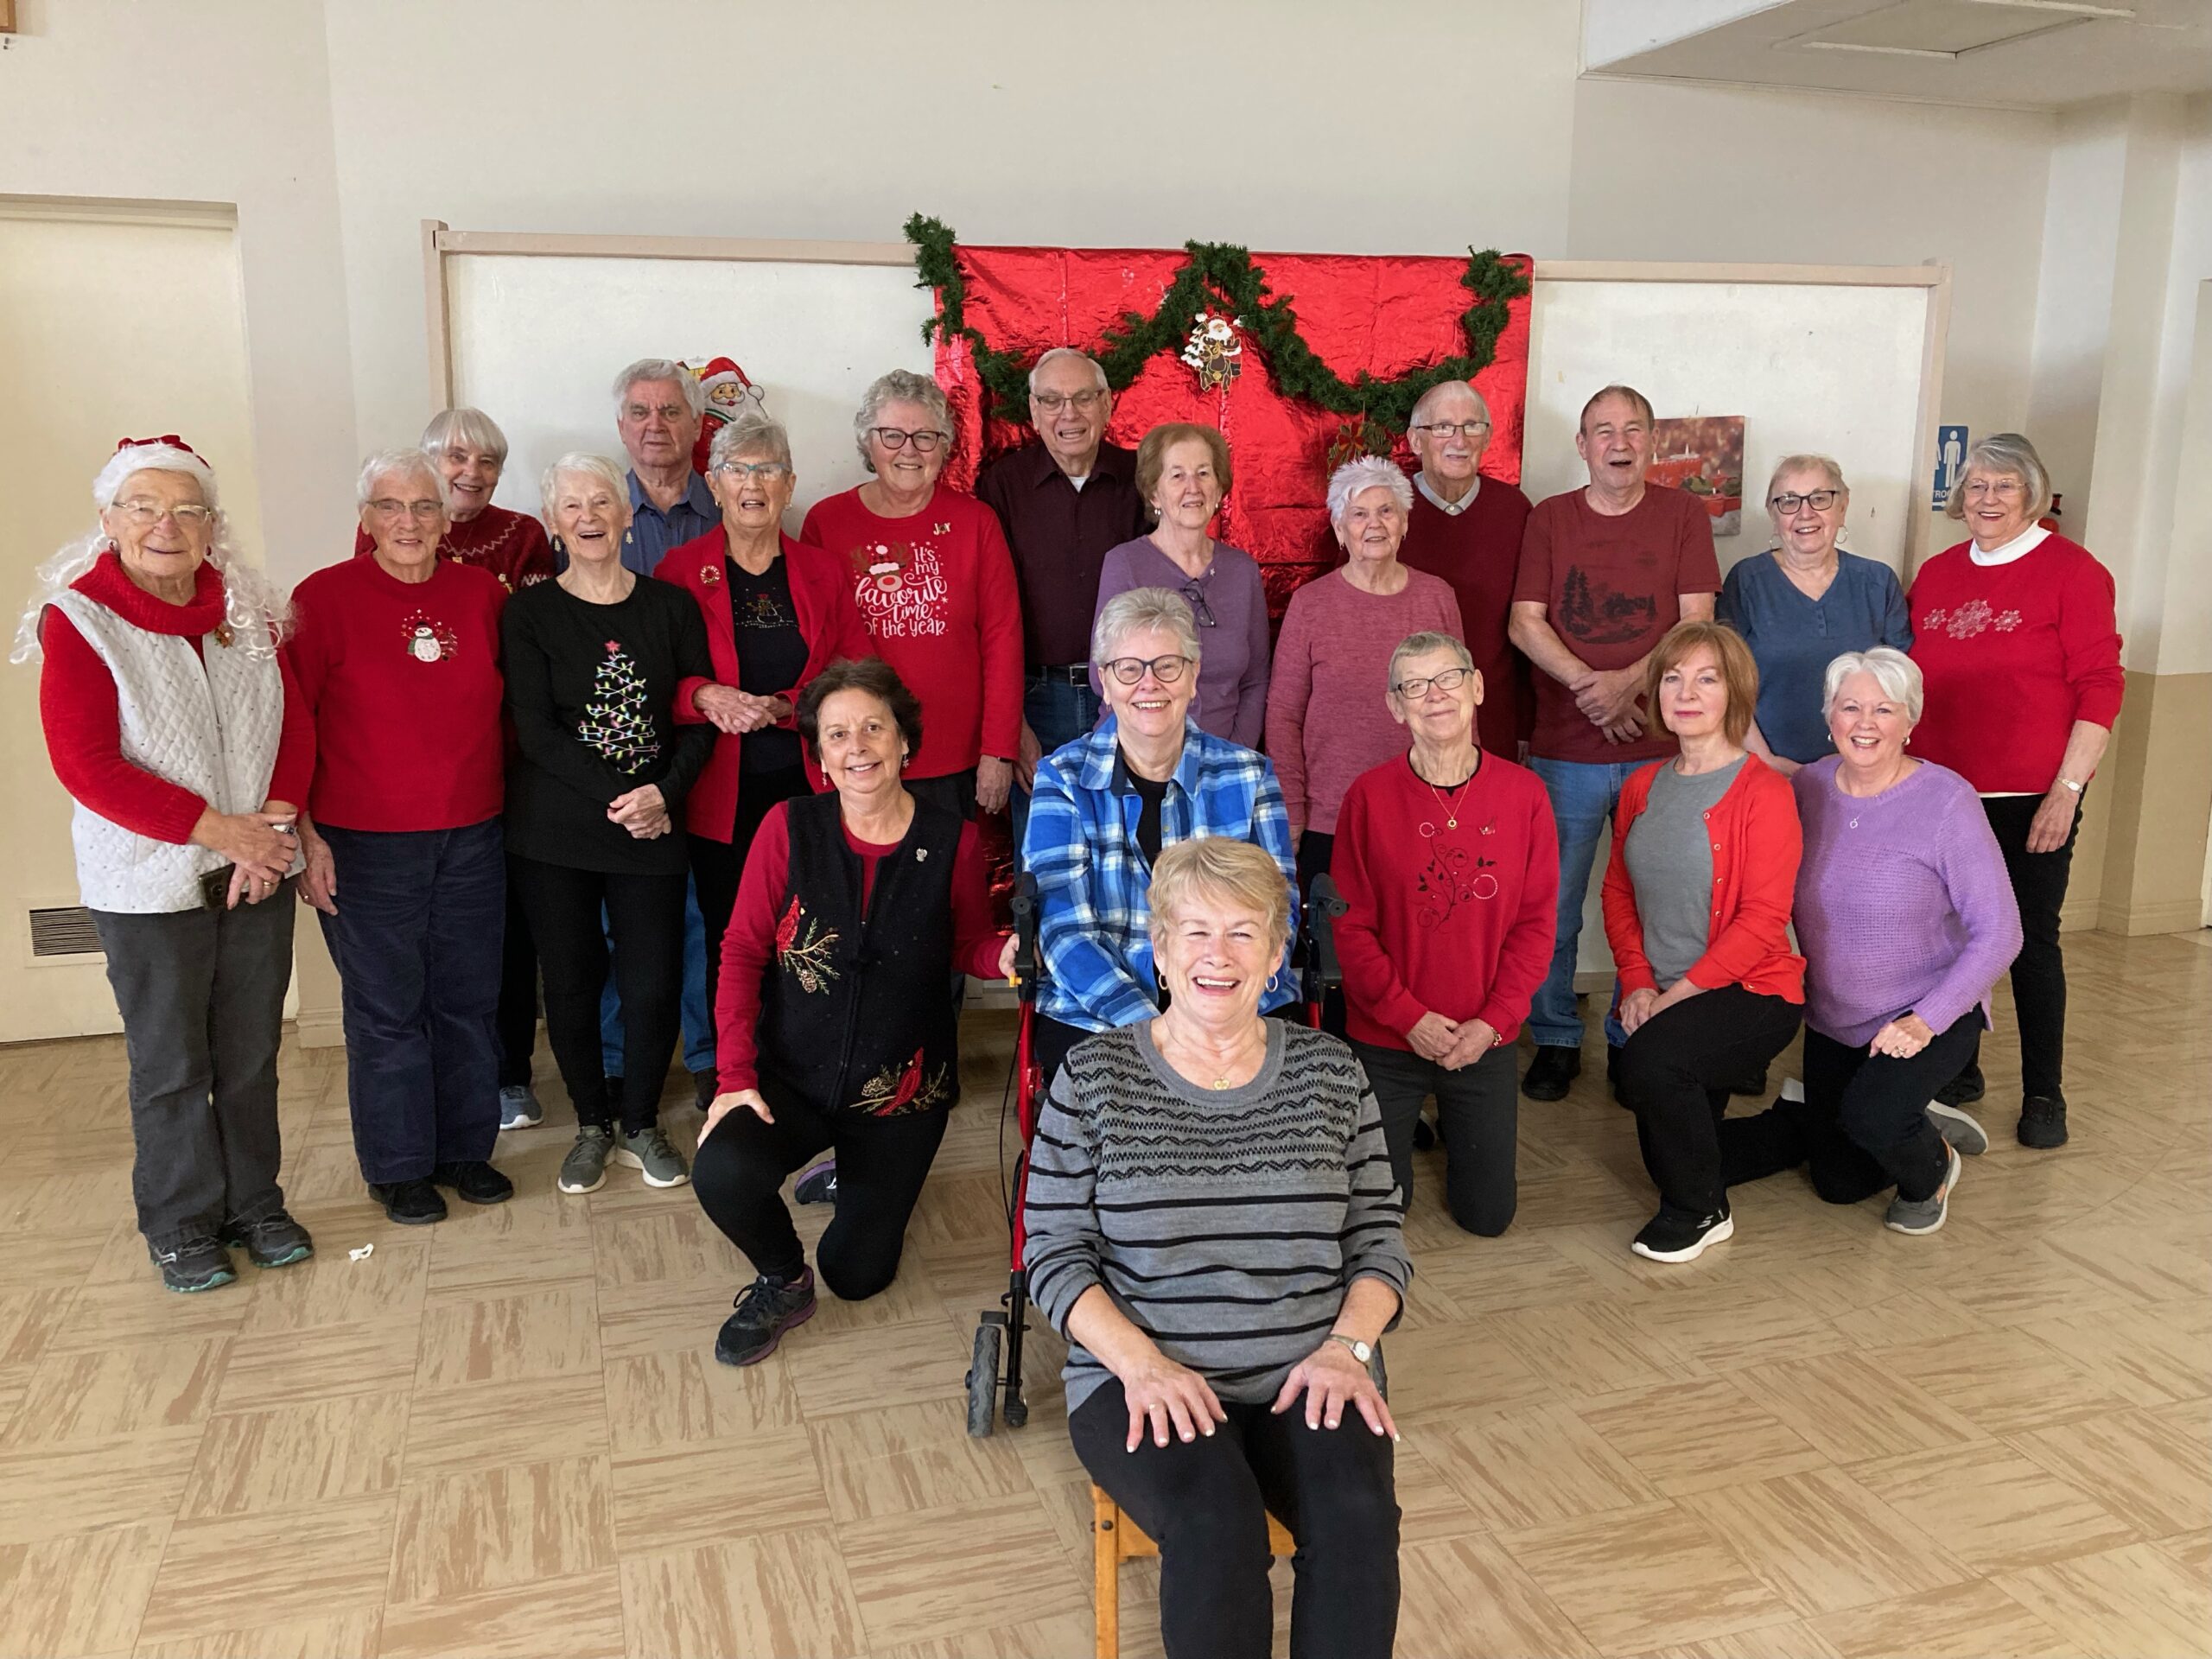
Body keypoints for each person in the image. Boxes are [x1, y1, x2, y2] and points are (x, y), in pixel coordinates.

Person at [1024, 836, 1409, 1659]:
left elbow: (1378, 1236)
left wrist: (1348, 1348)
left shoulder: (1331, 1071)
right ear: (1160, 950)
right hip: (1143, 1373)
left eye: (1244, 933)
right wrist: (1141, 1365)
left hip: (1310, 1365)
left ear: (1275, 955)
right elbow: (1053, 1255)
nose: (1218, 955)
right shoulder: (1092, 1078)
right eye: (1195, 932)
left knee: (1357, 1518)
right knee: (1217, 1527)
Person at [20, 437, 315, 1290]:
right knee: (173, 1065)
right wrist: (223, 832)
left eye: (188, 510)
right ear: (109, 520)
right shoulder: (80, 620)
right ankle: (182, 1222)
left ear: (212, 525)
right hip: (148, 884)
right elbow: (86, 763)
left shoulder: (247, 612)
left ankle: (255, 1203)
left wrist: (273, 830)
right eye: (144, 507)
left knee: (251, 1055)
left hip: (258, 864)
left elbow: (295, 726)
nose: (166, 526)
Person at [692, 659, 1014, 1364]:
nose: (858, 745)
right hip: (791, 1076)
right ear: (821, 757)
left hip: (901, 1091)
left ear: (905, 742)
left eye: (875, 727)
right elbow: (743, 949)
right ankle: (783, 1279)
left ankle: (848, 1177)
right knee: (722, 1170)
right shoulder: (788, 827)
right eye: (837, 734)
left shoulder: (952, 838)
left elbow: (965, 942)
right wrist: (734, 1077)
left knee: (859, 1274)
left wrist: (1007, 956)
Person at [1726, 650, 2022, 1235]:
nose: (1865, 723)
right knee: (1839, 1185)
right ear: (1828, 715)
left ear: (1910, 720)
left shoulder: (1946, 801)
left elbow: (2002, 932)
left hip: (1927, 1011)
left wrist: (1926, 1020)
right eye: (1850, 707)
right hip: (1836, 1019)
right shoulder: (1808, 786)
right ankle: (1914, 1112)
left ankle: (1935, 1165)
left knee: (1875, 1122)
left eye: (1884, 709)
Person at [289, 449, 512, 1226]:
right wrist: (305, 839)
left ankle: (464, 1151)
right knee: (388, 1011)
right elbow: (293, 729)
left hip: (474, 836)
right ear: (366, 517)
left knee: (468, 1002)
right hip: (362, 843)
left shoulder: (483, 595)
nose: (409, 522)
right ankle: (399, 1165)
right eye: (391, 506)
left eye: (424, 506)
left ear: (446, 516)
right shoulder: (321, 601)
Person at [503, 454, 713, 1197]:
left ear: (627, 515)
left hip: (653, 826)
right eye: (571, 506)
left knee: (653, 982)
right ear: (553, 520)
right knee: (571, 980)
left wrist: (661, 792)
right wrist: (625, 795)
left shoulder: (671, 607)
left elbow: (696, 717)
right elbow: (535, 731)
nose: (588, 517)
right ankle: (592, 1123)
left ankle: (641, 1123)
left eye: (601, 502)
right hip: (555, 833)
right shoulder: (528, 614)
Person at [1908, 433, 2122, 1151]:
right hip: (1939, 794)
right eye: (1975, 486)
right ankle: (1958, 1065)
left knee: (2027, 942)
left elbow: (2101, 686)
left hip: (2030, 796)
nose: (1987, 499)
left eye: (2003, 487)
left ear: (2033, 494)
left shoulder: (2073, 572)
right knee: (1947, 940)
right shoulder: (1935, 574)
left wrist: (2068, 788)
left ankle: (2044, 1092)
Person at [1510, 385, 1722, 1103]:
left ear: (1652, 442)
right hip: (1563, 750)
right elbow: (1524, 623)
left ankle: (1644, 1040)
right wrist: (1590, 689)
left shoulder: (1684, 515)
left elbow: (1697, 624)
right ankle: (1557, 1038)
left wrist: (1629, 684)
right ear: (1582, 445)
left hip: (1663, 753)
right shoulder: (1549, 518)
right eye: (1603, 430)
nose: (1619, 442)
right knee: (1555, 906)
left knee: (1660, 906)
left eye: (1633, 429)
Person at [347, 407, 554, 1132]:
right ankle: (409, 1135)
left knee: (482, 968)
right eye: (392, 507)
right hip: (383, 812)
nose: (411, 521)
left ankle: (487, 1112)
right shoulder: (354, 567)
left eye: (487, 463)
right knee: (399, 988)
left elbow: (522, 672)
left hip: (488, 794)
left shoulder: (504, 565)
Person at [1332, 632, 1558, 1236]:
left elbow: (1537, 926)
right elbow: (1350, 928)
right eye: (1414, 686)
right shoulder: (1368, 798)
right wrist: (1408, 1017)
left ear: (1477, 687)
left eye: (1448, 679)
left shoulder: (1526, 795)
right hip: (1388, 1034)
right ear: (1395, 706)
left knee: (1488, 1217)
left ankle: (1443, 1132)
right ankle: (1409, 1135)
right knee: (1380, 1212)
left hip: (1483, 1035)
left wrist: (1493, 1021)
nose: (1434, 696)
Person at [1026, 588, 1300, 1084]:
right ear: (1103, 683)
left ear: (1194, 676)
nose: (1148, 683)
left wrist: (1220, 1017)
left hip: (1237, 1001)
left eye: (1168, 665)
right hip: (1098, 1013)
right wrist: (1157, 1030)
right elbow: (1065, 932)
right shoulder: (1061, 778)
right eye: (1128, 668)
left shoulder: (1250, 775)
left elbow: (1279, 913)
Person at [1600, 620, 1804, 1262]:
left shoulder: (1765, 791)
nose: (1686, 693)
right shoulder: (1641, 786)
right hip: (1662, 987)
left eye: (1706, 679)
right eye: (1673, 677)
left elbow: (1764, 918)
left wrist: (1675, 996)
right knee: (1676, 1145)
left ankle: (1702, 1210)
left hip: (1752, 988)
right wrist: (1636, 981)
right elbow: (1617, 892)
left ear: (1734, 693)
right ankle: (1799, 1128)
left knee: (1649, 1068)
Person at [657, 414, 870, 1022]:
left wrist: (785, 706)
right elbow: (661, 677)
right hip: (717, 789)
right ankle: (728, 1065)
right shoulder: (679, 570)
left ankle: (802, 1054)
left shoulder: (824, 572)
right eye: (737, 469)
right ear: (714, 484)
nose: (753, 482)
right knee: (728, 932)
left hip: (805, 783)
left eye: (768, 469)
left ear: (789, 483)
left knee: (810, 925)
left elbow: (854, 672)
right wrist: (704, 696)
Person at [802, 369, 1023, 822]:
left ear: (944, 446)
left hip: (953, 757)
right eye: (892, 435)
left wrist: (998, 749)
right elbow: (815, 647)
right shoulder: (826, 523)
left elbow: (1003, 639)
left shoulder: (975, 523)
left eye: (925, 437)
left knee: (944, 888)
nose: (908, 450)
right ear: (868, 442)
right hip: (858, 757)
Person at [1267, 456, 1463, 899]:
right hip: (1331, 818)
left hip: (1425, 808)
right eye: (1359, 513)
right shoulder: (1310, 605)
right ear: (1339, 529)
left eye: (1386, 511)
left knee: (1419, 947)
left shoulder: (1437, 598)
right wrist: (1292, 811)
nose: (1374, 524)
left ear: (1405, 523)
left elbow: (1461, 709)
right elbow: (1283, 716)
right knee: (1337, 956)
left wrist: (1462, 795)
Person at [975, 348, 1148, 846]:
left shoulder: (1141, 478)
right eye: (1051, 401)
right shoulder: (1002, 486)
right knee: (1047, 852)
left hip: (1125, 694)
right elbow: (990, 611)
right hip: (1035, 695)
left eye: (1082, 399)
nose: (1067, 414)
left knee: (1126, 843)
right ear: (1032, 412)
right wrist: (1013, 725)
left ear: (1107, 404)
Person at [608, 359, 721, 1109]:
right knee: (621, 924)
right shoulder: (593, 512)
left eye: (672, 412)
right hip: (615, 755)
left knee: (703, 915)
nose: (657, 426)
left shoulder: (733, 506)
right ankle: (621, 1066)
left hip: (706, 750)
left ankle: (711, 1054)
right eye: (642, 413)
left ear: (697, 424)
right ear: (622, 426)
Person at [1719, 454, 1910, 772]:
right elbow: (1725, 681)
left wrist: (1867, 764)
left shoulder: (1877, 582)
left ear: (1843, 506)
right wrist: (1766, 761)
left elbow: (1900, 688)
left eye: (1820, 499)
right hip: (1766, 770)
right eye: (1789, 501)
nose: (1805, 513)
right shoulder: (1746, 581)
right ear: (1773, 514)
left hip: (1863, 772)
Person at [1093, 423, 1268, 747]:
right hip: (1138, 758)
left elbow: (1256, 680)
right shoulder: (1125, 564)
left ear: (1218, 489)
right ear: (1154, 493)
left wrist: (1232, 753)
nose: (1193, 487)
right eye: (1177, 475)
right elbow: (1102, 673)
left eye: (1203, 473)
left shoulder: (1242, 571)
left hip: (1225, 759)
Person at [1397, 380, 1535, 758]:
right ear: (1415, 440)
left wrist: (1525, 724)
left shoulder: (1515, 511)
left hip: (1493, 721)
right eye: (1442, 427)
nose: (1458, 440)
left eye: (1471, 426)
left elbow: (1534, 622)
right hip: (1404, 721)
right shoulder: (1385, 513)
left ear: (1487, 437)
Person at [346, 406, 554, 594]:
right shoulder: (388, 526)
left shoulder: (524, 533)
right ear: (429, 463)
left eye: (487, 462)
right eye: (457, 457)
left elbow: (537, 618)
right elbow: (366, 596)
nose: (473, 472)